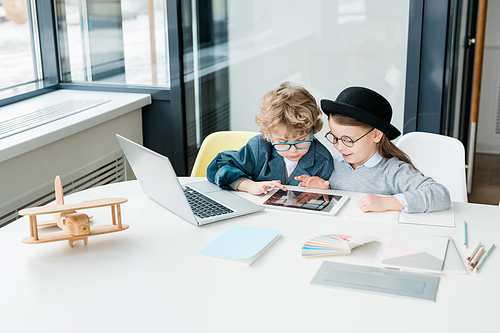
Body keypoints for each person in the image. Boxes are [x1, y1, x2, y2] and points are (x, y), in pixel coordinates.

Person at [296, 86, 451, 213]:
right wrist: (324, 190)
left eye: (348, 140)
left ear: (376, 135)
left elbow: (440, 195)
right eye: (335, 138)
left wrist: (387, 202)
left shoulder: (392, 171)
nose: (339, 146)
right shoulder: (332, 165)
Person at [206, 81, 333, 195]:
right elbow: (218, 167)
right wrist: (248, 185)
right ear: (268, 135)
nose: (293, 150)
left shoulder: (323, 161)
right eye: (282, 142)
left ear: (312, 130)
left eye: (301, 140)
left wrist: (322, 191)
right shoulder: (259, 148)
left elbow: (332, 200)